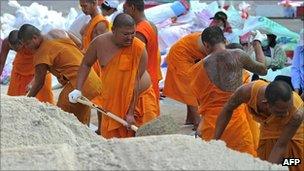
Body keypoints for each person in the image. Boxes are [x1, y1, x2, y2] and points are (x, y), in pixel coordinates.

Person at [68, 13, 158, 139]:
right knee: (115, 143)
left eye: (133, 33)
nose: (130, 38)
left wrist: (130, 112)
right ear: (113, 30)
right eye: (125, 34)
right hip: (113, 101)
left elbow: (136, 81)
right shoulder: (99, 43)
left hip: (139, 101)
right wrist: (78, 89)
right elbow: (86, 64)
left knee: (146, 141)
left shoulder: (139, 48)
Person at [189, 26, 267, 156]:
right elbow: (263, 69)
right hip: (236, 122)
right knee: (242, 160)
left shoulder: (197, 68)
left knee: (213, 160)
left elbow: (199, 101)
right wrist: (257, 43)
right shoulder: (238, 55)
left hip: (212, 124)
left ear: (206, 45)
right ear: (225, 41)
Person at [18, 24, 102, 125]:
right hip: (92, 77)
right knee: (81, 111)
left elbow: (39, 83)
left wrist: (26, 101)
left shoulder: (41, 53)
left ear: (34, 38)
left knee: (63, 113)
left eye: (27, 44)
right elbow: (79, 43)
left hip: (80, 84)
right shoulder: (57, 32)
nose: (26, 48)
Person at [214, 80, 303, 171]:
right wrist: (214, 141)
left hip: (294, 136)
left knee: (294, 162)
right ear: (266, 104)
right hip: (268, 133)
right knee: (264, 162)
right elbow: (228, 108)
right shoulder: (247, 92)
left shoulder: (296, 114)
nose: (286, 114)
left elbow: (280, 146)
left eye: (288, 109)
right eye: (280, 112)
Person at [163, 30, 209, 129]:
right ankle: (197, 122)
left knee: (194, 86)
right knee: (189, 88)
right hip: (179, 55)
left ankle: (191, 118)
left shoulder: (219, 46)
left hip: (189, 57)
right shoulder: (211, 46)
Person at [123, 0, 162, 113]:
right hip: (152, 75)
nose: (124, 13)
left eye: (125, 9)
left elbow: (136, 60)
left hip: (143, 80)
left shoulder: (139, 31)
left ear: (132, 8)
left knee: (142, 118)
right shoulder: (151, 25)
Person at [0, 30, 54, 104]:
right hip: (19, 71)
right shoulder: (6, 42)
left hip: (40, 70)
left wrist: (34, 82)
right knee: (15, 102)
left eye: (19, 49)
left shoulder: (36, 42)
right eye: (14, 49)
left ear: (22, 42)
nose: (17, 51)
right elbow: (1, 63)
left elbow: (46, 63)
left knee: (43, 102)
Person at [79, 0, 109, 76]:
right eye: (81, 6)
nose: (83, 9)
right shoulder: (90, 22)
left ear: (94, 3)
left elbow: (100, 51)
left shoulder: (100, 23)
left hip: (94, 67)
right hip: (86, 62)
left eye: (85, 6)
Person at [291, 29, 304, 100]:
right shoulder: (299, 48)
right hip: (301, 85)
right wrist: (296, 91)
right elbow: (295, 69)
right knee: (279, 79)